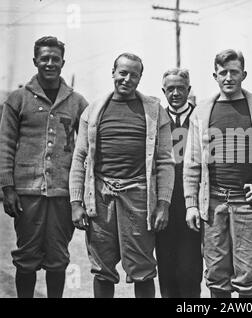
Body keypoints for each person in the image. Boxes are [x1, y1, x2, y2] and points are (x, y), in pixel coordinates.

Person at [69, 53, 175, 298]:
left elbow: (165, 162)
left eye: (133, 74)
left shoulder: (155, 111)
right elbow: (79, 157)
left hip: (138, 197)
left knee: (143, 268)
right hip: (101, 195)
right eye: (122, 73)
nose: (127, 79)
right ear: (113, 72)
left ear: (140, 78)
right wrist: (76, 203)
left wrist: (163, 204)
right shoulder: (93, 110)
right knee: (102, 268)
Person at [183, 49, 252, 298]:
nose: (228, 77)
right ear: (215, 76)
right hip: (213, 201)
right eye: (223, 72)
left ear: (243, 74)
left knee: (248, 274)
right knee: (216, 274)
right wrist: (191, 205)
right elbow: (192, 161)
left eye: (234, 72)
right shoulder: (202, 111)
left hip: (247, 204)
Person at [0, 36, 88, 298]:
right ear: (35, 61)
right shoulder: (18, 99)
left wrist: (80, 194)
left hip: (62, 193)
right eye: (44, 58)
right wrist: (7, 187)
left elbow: (87, 148)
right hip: (27, 191)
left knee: (58, 257)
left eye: (55, 58)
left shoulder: (77, 101)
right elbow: (5, 144)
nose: (50, 63)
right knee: (26, 256)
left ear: (63, 62)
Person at [155, 68, 203, 298]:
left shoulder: (201, 117)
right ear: (163, 91)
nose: (175, 93)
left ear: (189, 90)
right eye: (170, 89)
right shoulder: (157, 118)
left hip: (192, 200)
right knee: (165, 264)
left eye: (180, 88)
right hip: (164, 201)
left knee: (190, 267)